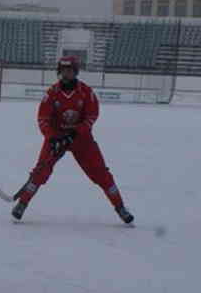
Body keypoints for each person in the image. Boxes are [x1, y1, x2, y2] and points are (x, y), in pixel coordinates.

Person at [9, 55, 134, 224]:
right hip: (57, 138)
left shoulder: (86, 92)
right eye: (63, 70)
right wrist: (52, 138)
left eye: (69, 70)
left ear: (75, 71)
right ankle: (22, 203)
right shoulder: (52, 93)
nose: (66, 73)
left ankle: (120, 207)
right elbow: (43, 119)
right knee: (41, 171)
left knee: (101, 173)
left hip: (82, 140)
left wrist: (76, 132)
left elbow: (92, 115)